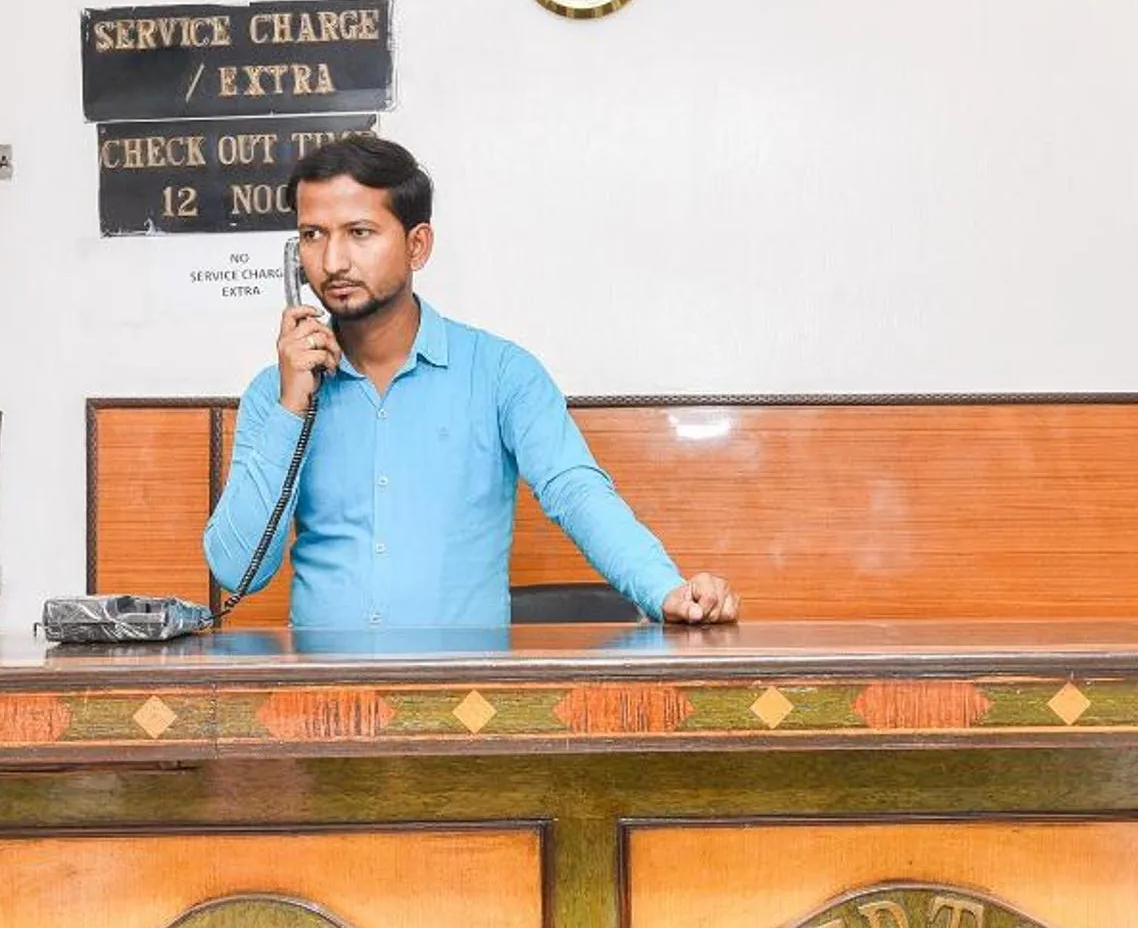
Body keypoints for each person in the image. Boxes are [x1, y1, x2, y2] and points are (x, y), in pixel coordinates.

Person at [202, 136, 740, 631]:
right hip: (323, 709)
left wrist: (663, 589)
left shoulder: (502, 372)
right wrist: (291, 407)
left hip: (462, 704)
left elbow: (575, 491)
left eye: (359, 233)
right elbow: (236, 571)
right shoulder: (274, 394)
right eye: (312, 236)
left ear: (417, 246)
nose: (333, 261)